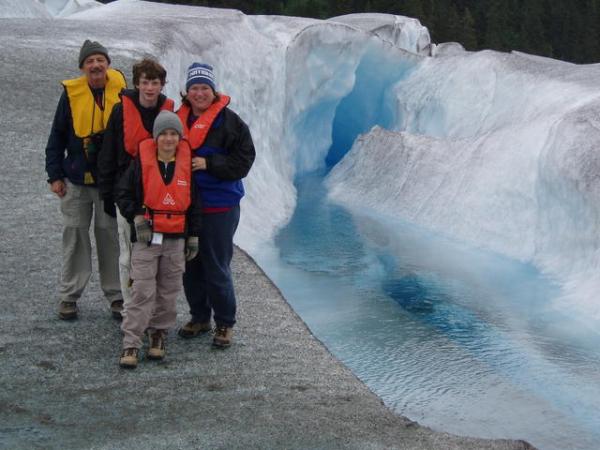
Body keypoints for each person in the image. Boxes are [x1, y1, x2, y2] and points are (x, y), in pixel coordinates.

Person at [45, 39, 126, 320]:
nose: (95, 65)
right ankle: (69, 295)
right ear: (82, 68)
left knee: (110, 240)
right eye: (89, 61)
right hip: (76, 181)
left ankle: (117, 296)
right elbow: (56, 137)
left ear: (108, 65)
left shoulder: (121, 92)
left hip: (108, 184)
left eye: (100, 60)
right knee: (75, 237)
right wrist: (54, 175)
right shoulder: (70, 95)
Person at [177, 62, 255, 348]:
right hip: (185, 206)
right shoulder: (177, 120)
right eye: (195, 88)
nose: (200, 93)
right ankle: (199, 317)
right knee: (190, 265)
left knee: (216, 265)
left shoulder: (231, 124)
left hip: (218, 207)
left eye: (205, 88)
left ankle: (224, 323)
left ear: (213, 90)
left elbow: (243, 161)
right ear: (187, 92)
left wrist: (209, 163)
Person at [115, 111, 201, 369]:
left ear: (179, 137)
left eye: (173, 133)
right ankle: (131, 341)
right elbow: (123, 193)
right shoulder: (141, 163)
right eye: (163, 133)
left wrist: (193, 234)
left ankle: (159, 334)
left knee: (168, 290)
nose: (168, 138)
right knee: (141, 290)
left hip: (175, 240)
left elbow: (195, 204)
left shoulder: (186, 165)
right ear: (155, 137)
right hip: (146, 237)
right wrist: (137, 217)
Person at [98, 58, 174, 319]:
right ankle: (131, 307)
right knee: (128, 254)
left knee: (156, 253)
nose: (150, 88)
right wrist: (108, 195)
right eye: (145, 82)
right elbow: (108, 154)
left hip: (159, 198)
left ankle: (151, 308)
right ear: (137, 84)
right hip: (127, 196)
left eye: (154, 82)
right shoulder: (121, 112)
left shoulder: (167, 115)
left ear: (161, 84)